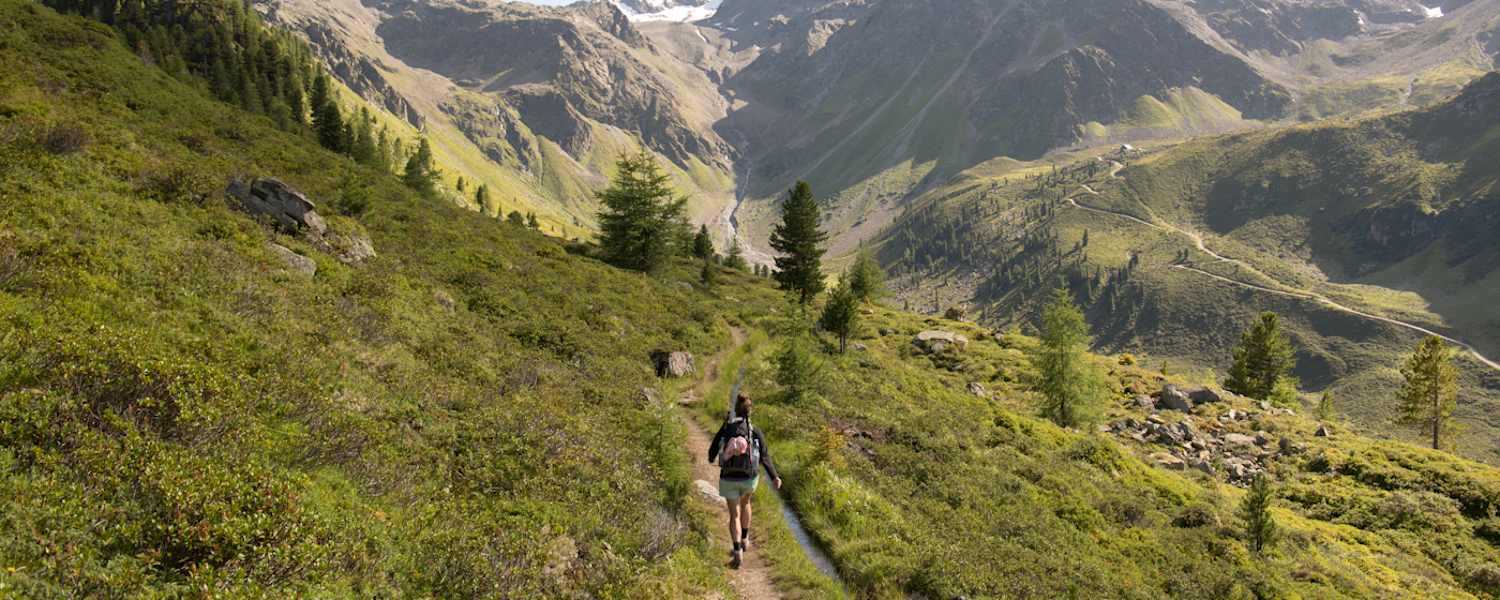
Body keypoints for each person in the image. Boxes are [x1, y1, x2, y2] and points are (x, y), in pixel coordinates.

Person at [707, 393, 781, 569]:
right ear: (750, 411)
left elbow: (711, 453)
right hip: (749, 477)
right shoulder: (754, 430)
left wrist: (714, 458)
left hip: (728, 478)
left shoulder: (727, 428)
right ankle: (746, 538)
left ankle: (737, 550)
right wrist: (774, 477)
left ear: (735, 410)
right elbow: (764, 456)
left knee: (734, 515)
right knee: (746, 503)